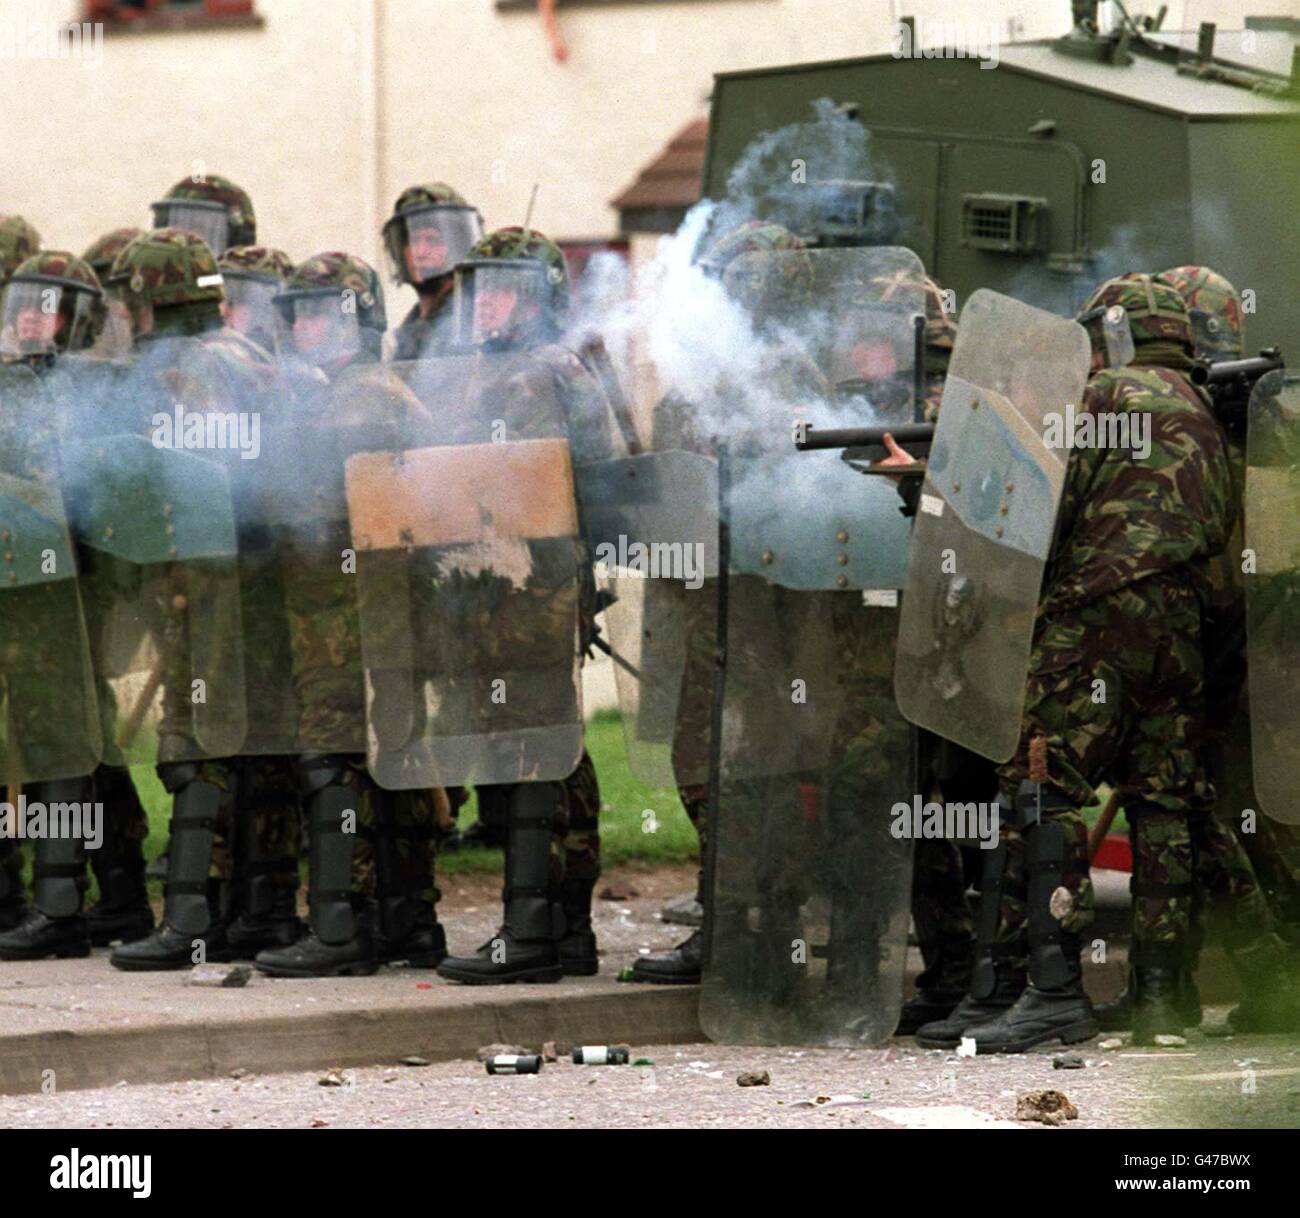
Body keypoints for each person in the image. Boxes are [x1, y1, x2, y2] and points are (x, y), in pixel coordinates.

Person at [432, 226, 614, 983]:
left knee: (529, 750)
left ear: (540, 299)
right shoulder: (540, 366)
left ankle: (529, 934)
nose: (486, 304)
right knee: (556, 751)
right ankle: (566, 928)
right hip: (528, 588)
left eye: (505, 288)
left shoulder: (531, 376)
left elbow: (519, 491)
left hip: (523, 589)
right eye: (481, 288)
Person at [382, 183, 483, 360]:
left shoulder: (473, 319)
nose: (420, 252)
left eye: (432, 240)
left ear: (458, 245)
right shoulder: (410, 327)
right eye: (413, 240)